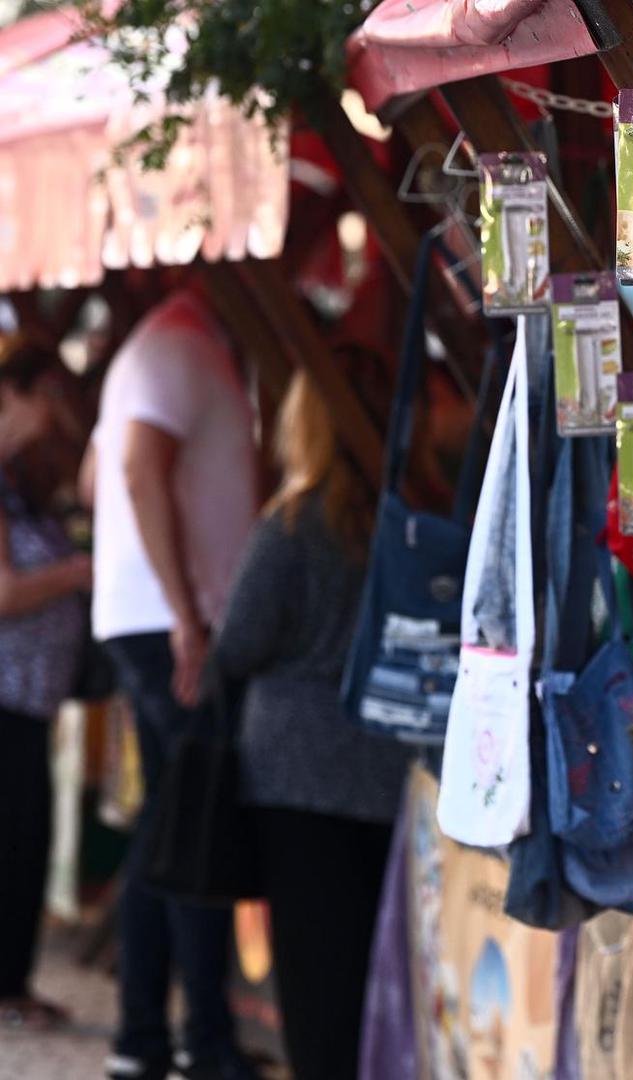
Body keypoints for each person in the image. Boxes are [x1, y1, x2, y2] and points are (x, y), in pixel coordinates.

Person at [214, 363, 412, 1080]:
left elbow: (238, 641)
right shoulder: (404, 520)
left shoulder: (291, 525)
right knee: (367, 960)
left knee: (310, 966)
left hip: (294, 771)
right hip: (384, 768)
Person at [89, 289, 258, 1080]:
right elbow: (128, 468)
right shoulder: (176, 345)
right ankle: (199, 1040)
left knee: (170, 826)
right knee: (191, 828)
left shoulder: (160, 348)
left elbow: (101, 477)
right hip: (170, 624)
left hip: (153, 617)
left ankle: (149, 1036)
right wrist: (187, 614)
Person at [0, 336, 92, 1031]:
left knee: (24, 838)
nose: (61, 409)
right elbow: (3, 594)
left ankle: (13, 982)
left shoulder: (20, 480)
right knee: (14, 838)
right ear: (21, 393)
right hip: (6, 697)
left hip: (28, 698)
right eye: (52, 392)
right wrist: (80, 573)